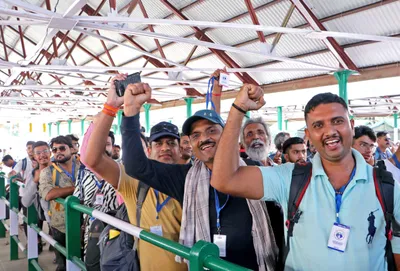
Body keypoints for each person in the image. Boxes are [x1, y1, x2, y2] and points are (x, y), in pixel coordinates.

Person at [210, 86, 400, 270]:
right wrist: (238, 110)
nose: (330, 131)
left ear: (351, 125)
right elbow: (224, 179)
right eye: (318, 125)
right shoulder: (291, 178)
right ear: (308, 135)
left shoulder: (386, 186)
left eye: (337, 121)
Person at [121, 82, 278, 270]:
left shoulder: (254, 172)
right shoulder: (185, 178)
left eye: (212, 130)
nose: (204, 138)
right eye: (196, 135)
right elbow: (135, 166)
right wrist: (130, 112)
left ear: (228, 136)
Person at [83, 74, 186, 271]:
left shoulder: (191, 179)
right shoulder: (133, 181)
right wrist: (111, 107)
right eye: (158, 143)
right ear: (148, 150)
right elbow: (92, 159)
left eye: (171, 143)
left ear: (180, 150)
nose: (165, 148)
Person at [73, 131, 119, 257]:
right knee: (91, 263)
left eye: (108, 144)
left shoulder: (121, 171)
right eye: (99, 144)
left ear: (113, 148)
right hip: (91, 231)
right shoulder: (83, 173)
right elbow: (77, 199)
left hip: (116, 229)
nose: (103, 148)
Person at [39, 136, 79, 271]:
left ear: (72, 149)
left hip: (85, 224)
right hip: (61, 227)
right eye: (54, 149)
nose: (58, 152)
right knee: (63, 265)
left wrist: (61, 191)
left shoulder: (84, 167)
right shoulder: (47, 172)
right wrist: (76, 189)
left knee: (84, 262)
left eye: (62, 148)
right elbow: (48, 194)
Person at [21, 141, 52, 254]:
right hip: (48, 217)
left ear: (50, 153)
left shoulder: (59, 169)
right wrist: (35, 181)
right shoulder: (34, 173)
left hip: (63, 217)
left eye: (45, 151)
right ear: (34, 156)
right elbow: (25, 201)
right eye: (38, 153)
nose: (42, 155)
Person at [9, 141, 35, 237]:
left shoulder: (41, 160)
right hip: (25, 194)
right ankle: (32, 241)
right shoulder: (23, 162)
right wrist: (13, 176)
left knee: (40, 219)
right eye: (29, 148)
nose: (31, 150)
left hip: (40, 194)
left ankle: (40, 241)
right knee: (28, 218)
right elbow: (13, 172)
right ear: (26, 150)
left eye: (33, 147)